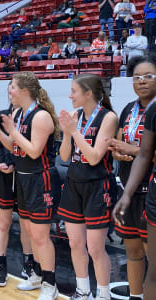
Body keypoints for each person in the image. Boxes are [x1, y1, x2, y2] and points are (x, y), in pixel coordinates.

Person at [0, 72, 61, 299]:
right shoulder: (20, 113)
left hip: (40, 178)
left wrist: (13, 132)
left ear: (25, 91)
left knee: (40, 235)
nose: (9, 92)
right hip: (24, 177)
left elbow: (34, 151)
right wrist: (0, 134)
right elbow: (16, 149)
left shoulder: (41, 116)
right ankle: (37, 275)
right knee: (29, 231)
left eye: (13, 87)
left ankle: (50, 284)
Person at [58, 73, 118, 300]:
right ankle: (83, 291)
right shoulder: (75, 116)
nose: (70, 95)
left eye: (74, 91)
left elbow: (94, 158)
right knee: (75, 243)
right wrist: (66, 132)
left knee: (95, 248)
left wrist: (74, 131)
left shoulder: (108, 117)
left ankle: (103, 294)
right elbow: (64, 156)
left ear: (88, 93)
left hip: (98, 186)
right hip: (74, 184)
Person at [109, 57, 156, 300]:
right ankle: (135, 296)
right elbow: (120, 141)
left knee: (152, 255)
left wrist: (132, 151)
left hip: (152, 189)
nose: (142, 81)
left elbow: (147, 152)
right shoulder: (128, 108)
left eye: (149, 75)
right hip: (129, 185)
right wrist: (119, 151)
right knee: (132, 249)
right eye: (137, 77)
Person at [0, 84, 33, 288]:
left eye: (14, 89)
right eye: (9, 90)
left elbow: (30, 147)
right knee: (3, 223)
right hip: (5, 174)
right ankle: (1, 266)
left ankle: (29, 265)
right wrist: (1, 163)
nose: (11, 93)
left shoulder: (33, 116)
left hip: (24, 174)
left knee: (26, 225)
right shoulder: (3, 115)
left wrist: (15, 163)